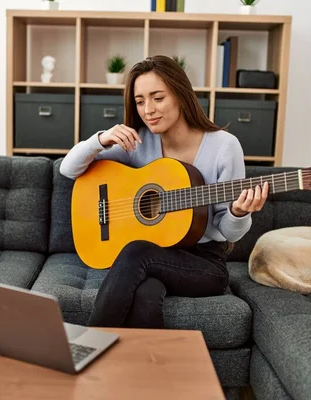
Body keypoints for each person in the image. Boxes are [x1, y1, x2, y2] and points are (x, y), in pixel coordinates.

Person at [59, 55, 268, 329]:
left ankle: (87, 346)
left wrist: (238, 212)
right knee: (145, 292)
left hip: (204, 263)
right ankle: (147, 369)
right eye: (140, 101)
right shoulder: (139, 142)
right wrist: (100, 140)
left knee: (136, 252)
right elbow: (68, 169)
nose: (148, 110)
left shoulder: (225, 146)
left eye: (158, 98)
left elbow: (229, 233)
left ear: (180, 95)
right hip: (151, 260)